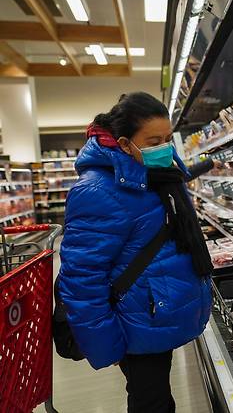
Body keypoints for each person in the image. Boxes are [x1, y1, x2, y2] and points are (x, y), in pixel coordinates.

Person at [58, 92, 215, 413]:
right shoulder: (96, 191)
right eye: (154, 140)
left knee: (156, 397)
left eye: (168, 139)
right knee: (151, 402)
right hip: (134, 322)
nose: (165, 149)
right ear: (125, 143)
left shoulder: (155, 175)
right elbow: (82, 279)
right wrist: (110, 347)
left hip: (154, 314)